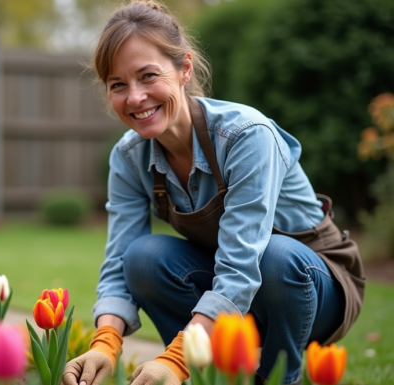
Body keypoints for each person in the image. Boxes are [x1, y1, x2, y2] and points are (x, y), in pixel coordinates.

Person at [60, 1, 366, 385]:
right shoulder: (128, 156)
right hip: (234, 286)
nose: (135, 97)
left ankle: (271, 376)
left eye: (148, 75)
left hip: (311, 286)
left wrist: (174, 358)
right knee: (141, 258)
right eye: (117, 85)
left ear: (184, 68)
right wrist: (105, 342)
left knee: (276, 256)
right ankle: (211, 371)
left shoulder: (246, 136)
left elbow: (242, 264)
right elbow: (120, 257)